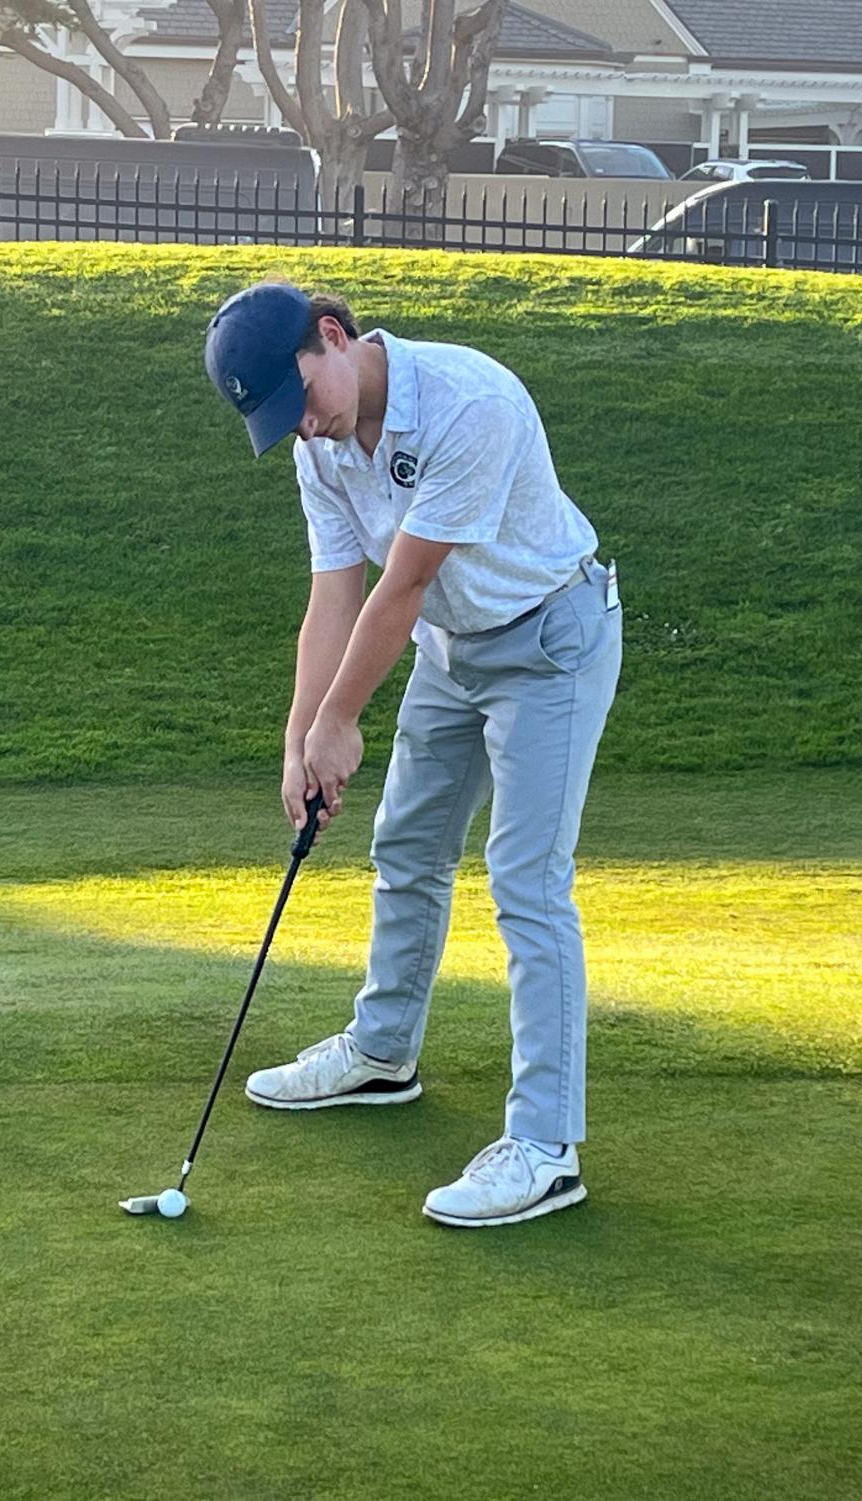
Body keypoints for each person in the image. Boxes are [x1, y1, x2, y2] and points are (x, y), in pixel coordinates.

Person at [202, 281, 623, 1228]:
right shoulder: (319, 449)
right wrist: (298, 738)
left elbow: (402, 583)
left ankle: (547, 1146)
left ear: (332, 336)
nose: (302, 428)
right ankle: (382, 1051)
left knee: (525, 880)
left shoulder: (468, 401)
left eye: (299, 398)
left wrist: (342, 723)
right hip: (448, 645)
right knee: (405, 849)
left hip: (548, 640)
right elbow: (333, 595)